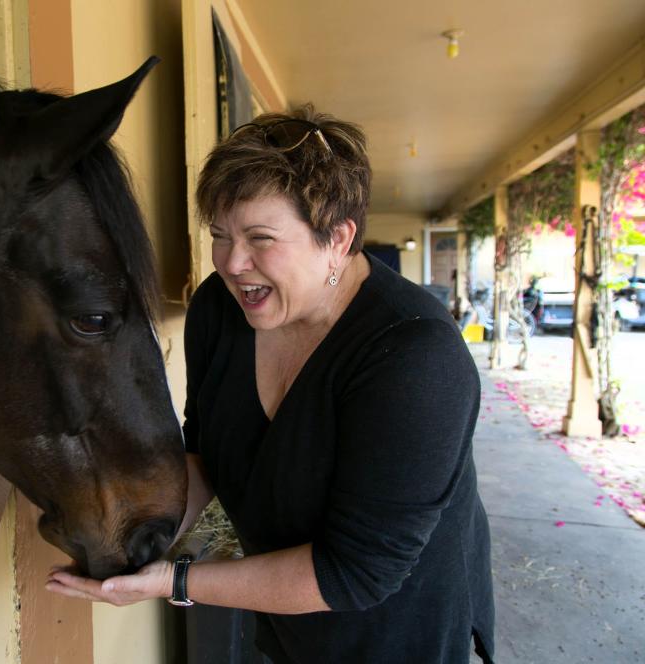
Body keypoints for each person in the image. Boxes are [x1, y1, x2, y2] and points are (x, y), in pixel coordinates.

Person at [46, 107, 495, 663]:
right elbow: (205, 458)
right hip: (286, 620)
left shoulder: (414, 356)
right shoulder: (221, 308)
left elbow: (356, 574)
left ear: (338, 238)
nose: (233, 262)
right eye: (220, 235)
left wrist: (173, 581)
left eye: (260, 237)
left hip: (396, 634)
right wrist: (125, 537)